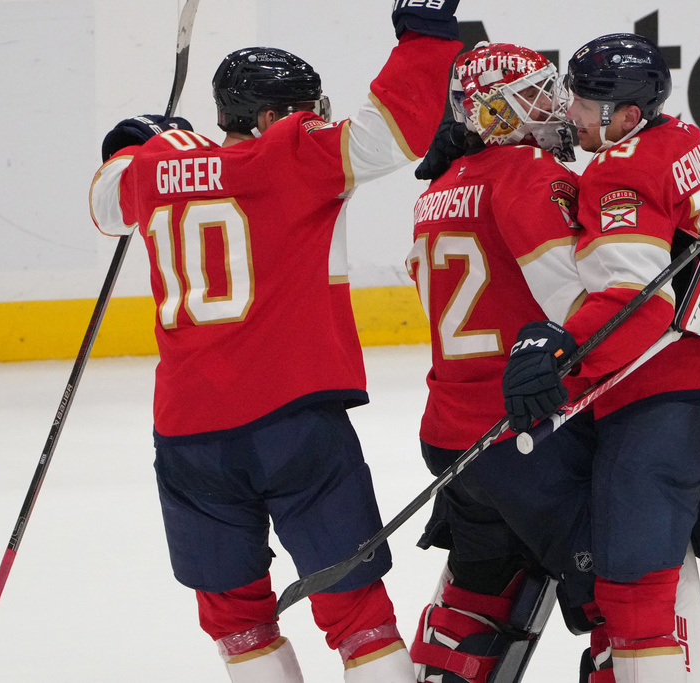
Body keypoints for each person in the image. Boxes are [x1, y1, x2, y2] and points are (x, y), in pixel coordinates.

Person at [86, 4, 462, 681]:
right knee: (357, 613)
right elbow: (395, 131)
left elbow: (104, 202)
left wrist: (133, 140)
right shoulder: (294, 156)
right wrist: (425, 36)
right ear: (266, 119)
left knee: (238, 622)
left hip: (189, 435)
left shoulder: (152, 172)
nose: (313, 115)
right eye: (299, 107)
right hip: (295, 424)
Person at [501, 34, 700, 683]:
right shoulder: (684, 142)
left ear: (628, 116)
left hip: (662, 412)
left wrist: (563, 355)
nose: (573, 113)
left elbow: (635, 303)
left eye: (587, 103)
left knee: (637, 603)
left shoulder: (615, 172)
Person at [405, 41, 700, 683]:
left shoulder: (437, 190)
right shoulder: (529, 173)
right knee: (620, 596)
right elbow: (584, 308)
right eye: (534, 97)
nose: (555, 108)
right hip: (527, 431)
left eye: (553, 91)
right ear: (491, 113)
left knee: (480, 585)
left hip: (451, 435)